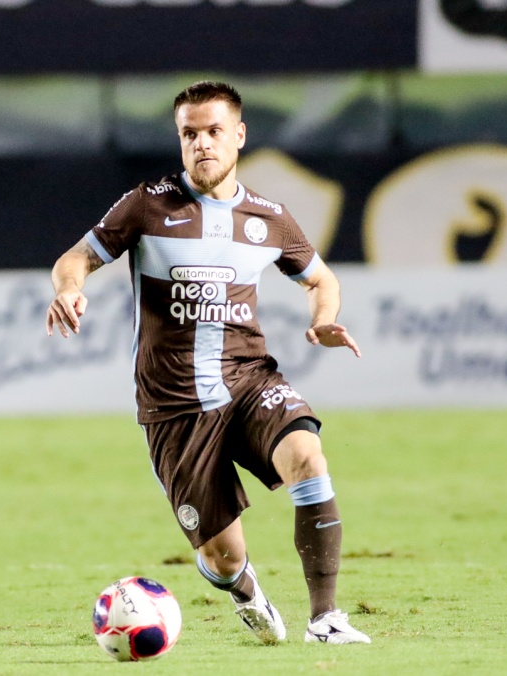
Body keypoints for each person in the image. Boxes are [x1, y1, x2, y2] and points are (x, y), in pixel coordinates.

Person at [46, 80, 370, 645]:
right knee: (222, 558)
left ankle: (326, 619)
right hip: (174, 405)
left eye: (214, 132)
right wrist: (70, 288)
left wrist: (323, 317)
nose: (201, 145)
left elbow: (321, 277)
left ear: (239, 136)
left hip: (249, 380)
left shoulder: (267, 218)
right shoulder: (146, 206)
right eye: (189, 134)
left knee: (308, 457)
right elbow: (75, 257)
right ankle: (245, 589)